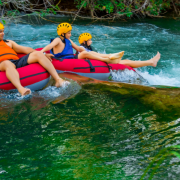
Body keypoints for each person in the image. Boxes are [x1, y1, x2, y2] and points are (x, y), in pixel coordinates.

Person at [0, 22, 67, 96]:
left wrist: (44, 54)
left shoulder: (9, 42)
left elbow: (25, 49)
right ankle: (21, 89)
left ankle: (58, 80)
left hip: (16, 61)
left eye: (3, 31)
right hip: (2, 64)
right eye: (0, 32)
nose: (3, 33)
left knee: (38, 54)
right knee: (7, 63)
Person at [40, 23, 125, 64]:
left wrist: (83, 49)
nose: (70, 34)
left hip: (71, 59)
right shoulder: (58, 40)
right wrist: (42, 52)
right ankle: (106, 60)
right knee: (85, 53)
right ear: (63, 33)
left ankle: (110, 55)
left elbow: (77, 48)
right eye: (69, 33)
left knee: (89, 52)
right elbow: (50, 46)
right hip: (63, 60)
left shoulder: (68, 40)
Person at [78, 32, 161, 68]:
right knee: (127, 62)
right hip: (98, 63)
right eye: (89, 40)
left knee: (126, 61)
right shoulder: (82, 49)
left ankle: (151, 62)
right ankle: (151, 62)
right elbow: (88, 55)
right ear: (84, 41)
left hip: (98, 62)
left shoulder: (89, 48)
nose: (91, 41)